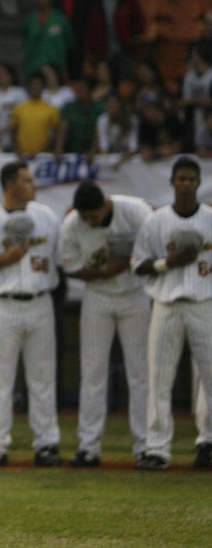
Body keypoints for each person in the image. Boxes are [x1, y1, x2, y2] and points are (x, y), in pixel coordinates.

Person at [0, 160, 62, 467]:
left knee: (43, 378)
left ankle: (47, 444)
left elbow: (59, 261)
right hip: (2, 302)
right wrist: (6, 259)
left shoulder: (46, 217)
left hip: (40, 300)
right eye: (27, 180)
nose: (33, 186)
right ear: (10, 185)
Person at [60, 182, 151, 467]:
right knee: (92, 371)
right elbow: (70, 267)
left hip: (135, 294)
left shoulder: (134, 210)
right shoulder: (72, 224)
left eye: (93, 215)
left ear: (106, 204)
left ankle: (147, 446)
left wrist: (127, 263)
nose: (89, 221)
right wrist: (104, 271)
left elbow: (154, 244)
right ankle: (89, 446)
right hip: (98, 297)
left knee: (140, 372)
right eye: (84, 216)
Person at [131, 157, 212, 470]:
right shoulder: (156, 221)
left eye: (192, 179)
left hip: (203, 302)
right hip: (165, 304)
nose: (187, 184)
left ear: (198, 183)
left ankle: (207, 442)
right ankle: (157, 448)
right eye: (181, 179)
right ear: (173, 182)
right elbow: (138, 264)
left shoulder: (209, 218)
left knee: (209, 376)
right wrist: (169, 262)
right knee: (159, 378)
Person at [23, 0, 75, 79]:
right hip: (34, 68)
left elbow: (70, 43)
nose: (41, 0)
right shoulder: (30, 20)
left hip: (56, 67)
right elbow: (26, 41)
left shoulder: (60, 19)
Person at [9, 73, 59, 156]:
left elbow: (57, 134)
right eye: (32, 84)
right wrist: (18, 150)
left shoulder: (51, 110)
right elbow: (13, 131)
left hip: (43, 156)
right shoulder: (19, 108)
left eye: (38, 84)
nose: (35, 87)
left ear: (43, 87)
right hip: (23, 156)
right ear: (28, 87)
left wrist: (44, 150)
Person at [0, 63, 27, 152]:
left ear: (11, 76)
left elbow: (22, 116)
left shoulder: (19, 93)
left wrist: (2, 131)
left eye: (4, 73)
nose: (1, 76)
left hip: (11, 137)